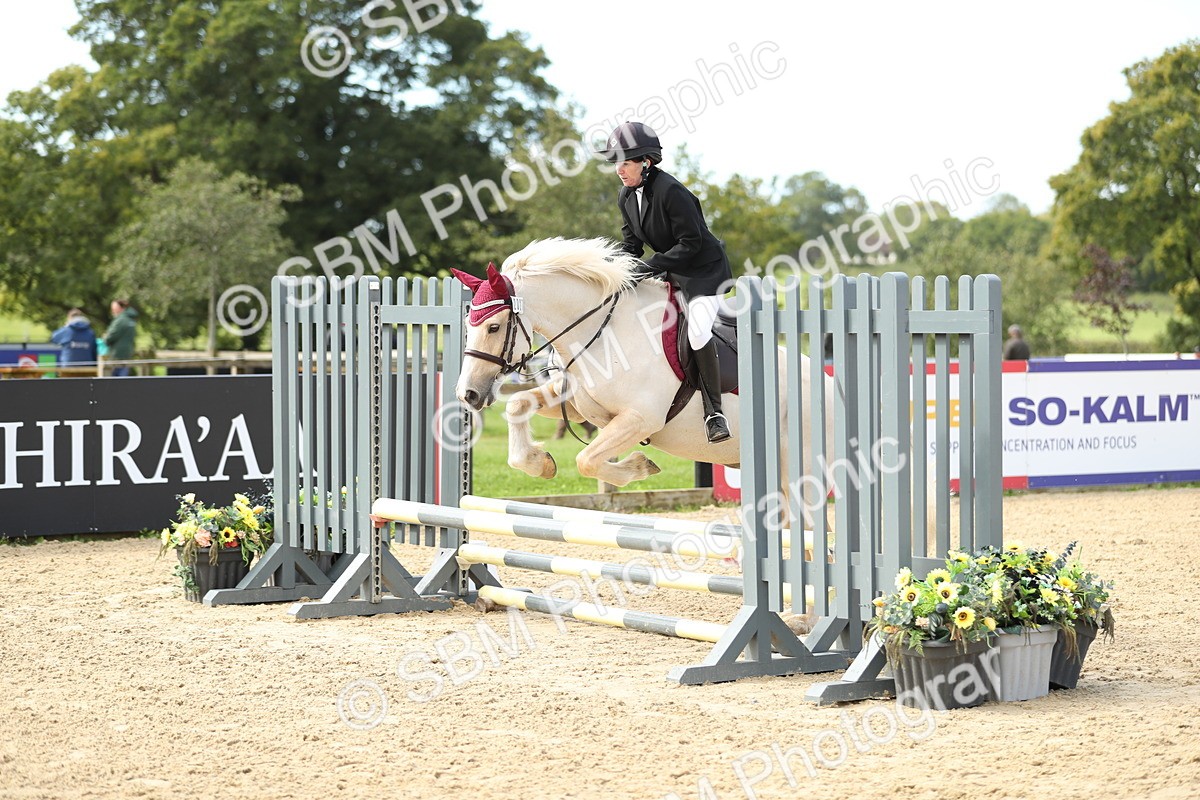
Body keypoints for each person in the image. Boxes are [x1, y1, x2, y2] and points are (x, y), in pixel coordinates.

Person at [598, 121, 733, 444]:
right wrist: (610, 269)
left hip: (704, 273)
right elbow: (631, 246)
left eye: (626, 162)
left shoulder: (671, 191)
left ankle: (714, 413)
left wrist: (648, 267)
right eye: (616, 163)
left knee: (697, 330)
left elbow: (691, 244)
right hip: (672, 271)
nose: (619, 170)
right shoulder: (626, 196)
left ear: (646, 162)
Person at [103, 298, 139, 376]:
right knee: (123, 378)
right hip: (128, 354)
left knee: (115, 380)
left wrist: (105, 337)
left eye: (114, 308)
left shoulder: (120, 320)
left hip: (117, 355)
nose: (112, 311)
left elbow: (109, 337)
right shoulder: (131, 319)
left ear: (120, 308)